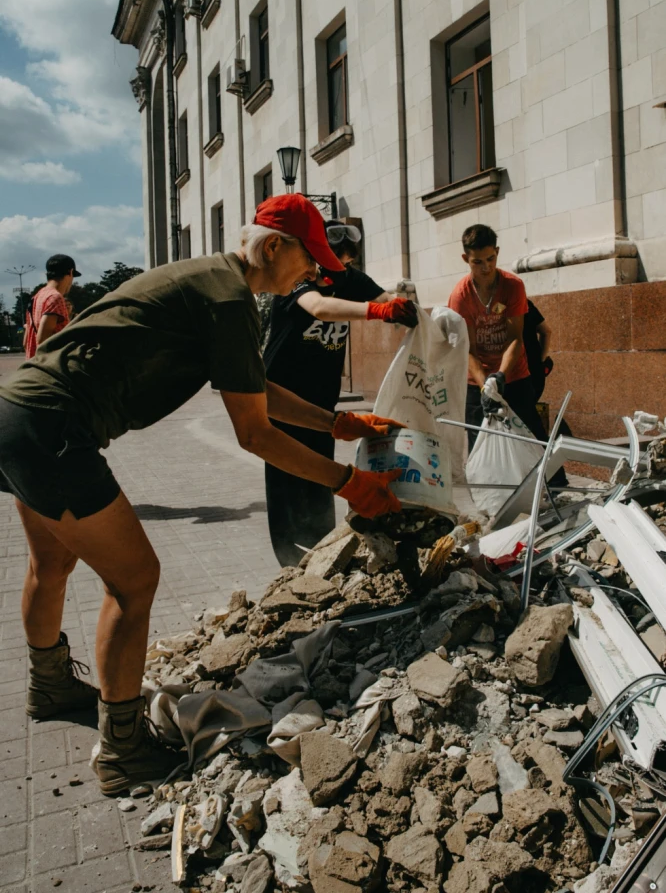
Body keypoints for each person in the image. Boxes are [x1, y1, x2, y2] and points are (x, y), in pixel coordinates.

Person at [0, 194, 405, 796]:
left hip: (18, 413)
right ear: (273, 247)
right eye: (309, 261)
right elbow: (255, 432)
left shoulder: (211, 281)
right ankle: (122, 748)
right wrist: (348, 482)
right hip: (55, 429)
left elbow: (254, 385)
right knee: (134, 580)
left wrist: (338, 425)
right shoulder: (229, 296)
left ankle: (50, 685)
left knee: (52, 561)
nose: (313, 275)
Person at [262, 221, 418, 566]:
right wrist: (377, 312)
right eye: (331, 261)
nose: (337, 270)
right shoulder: (297, 280)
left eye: (345, 263)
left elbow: (389, 300)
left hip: (322, 402)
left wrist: (414, 314)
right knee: (287, 480)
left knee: (321, 478)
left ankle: (322, 552)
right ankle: (289, 562)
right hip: (281, 402)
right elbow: (319, 308)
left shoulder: (351, 279)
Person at [447, 224, 550, 451]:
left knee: (534, 444)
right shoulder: (460, 297)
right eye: (478, 262)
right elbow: (468, 350)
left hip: (514, 376)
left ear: (497, 252)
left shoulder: (513, 286)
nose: (486, 267)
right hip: (477, 382)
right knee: (482, 449)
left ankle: (554, 484)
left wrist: (501, 375)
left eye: (490, 259)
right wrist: (487, 387)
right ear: (466, 258)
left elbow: (515, 338)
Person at [523, 299, 573, 438]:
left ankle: (539, 449)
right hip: (535, 370)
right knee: (529, 413)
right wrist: (540, 360)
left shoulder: (508, 304)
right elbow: (546, 332)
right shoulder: (526, 303)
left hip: (520, 373)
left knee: (523, 417)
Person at [23, 254, 80, 359]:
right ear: (70, 272)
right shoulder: (55, 297)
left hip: (34, 362)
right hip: (48, 365)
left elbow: (26, 341)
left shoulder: (37, 296)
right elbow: (43, 339)